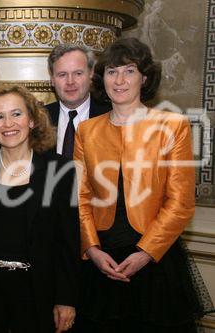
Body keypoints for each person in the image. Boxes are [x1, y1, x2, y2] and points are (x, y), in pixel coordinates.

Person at [74, 37, 212, 332]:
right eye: (111, 72)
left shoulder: (172, 126)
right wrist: (93, 250)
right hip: (101, 263)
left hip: (154, 263)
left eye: (129, 71)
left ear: (145, 78)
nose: (119, 80)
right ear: (102, 79)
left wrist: (145, 253)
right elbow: (80, 197)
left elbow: (181, 202)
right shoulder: (86, 131)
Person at [0, 84, 80, 333]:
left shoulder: (59, 169)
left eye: (16, 114)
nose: (8, 124)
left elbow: (68, 241)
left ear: (32, 120)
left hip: (40, 295)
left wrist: (66, 299)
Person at [46, 44, 110, 159]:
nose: (70, 81)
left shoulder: (111, 116)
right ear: (52, 79)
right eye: (62, 75)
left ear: (91, 74)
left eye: (78, 73)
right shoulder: (39, 119)